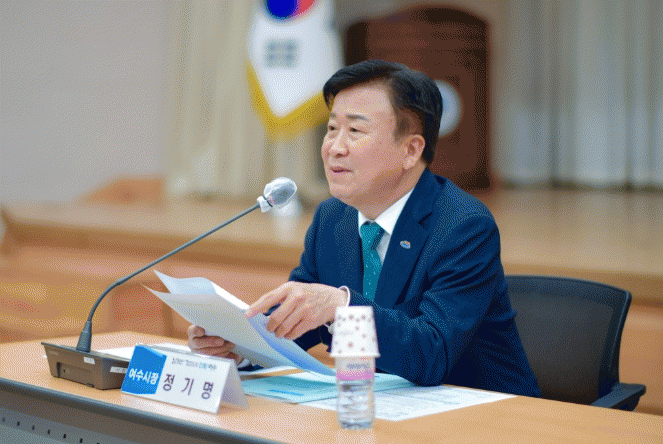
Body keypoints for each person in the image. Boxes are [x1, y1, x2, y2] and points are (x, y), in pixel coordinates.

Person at [188, 60, 541, 397]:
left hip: (483, 415)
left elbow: (433, 352)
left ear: (410, 150)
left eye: (355, 131)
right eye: (331, 129)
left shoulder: (463, 227)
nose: (334, 148)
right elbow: (298, 321)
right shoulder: (333, 218)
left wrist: (342, 306)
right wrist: (237, 345)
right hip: (377, 407)